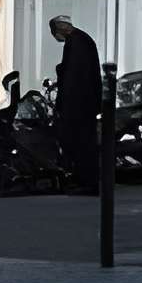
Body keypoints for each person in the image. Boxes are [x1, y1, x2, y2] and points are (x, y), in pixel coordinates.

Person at [47, 14, 104, 195]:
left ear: (60, 28)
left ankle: (86, 182)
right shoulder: (82, 39)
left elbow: (73, 77)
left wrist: (62, 104)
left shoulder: (76, 43)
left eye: (54, 32)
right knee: (84, 143)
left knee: (81, 144)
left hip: (79, 105)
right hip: (86, 103)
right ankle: (84, 180)